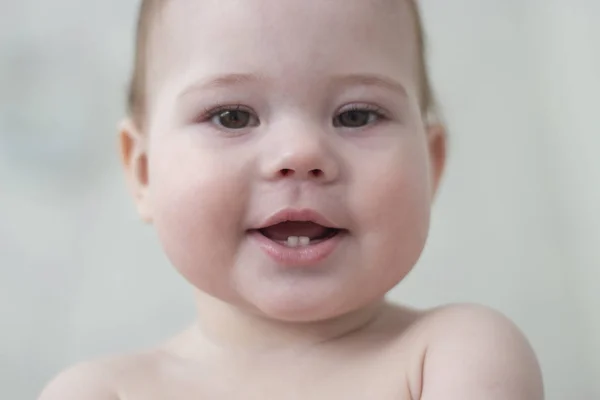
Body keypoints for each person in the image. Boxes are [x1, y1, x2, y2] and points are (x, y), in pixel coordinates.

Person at [39, 0, 544, 398]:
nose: (301, 153)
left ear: (430, 165)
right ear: (143, 171)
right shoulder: (100, 392)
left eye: (357, 115)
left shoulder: (455, 356)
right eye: (233, 116)